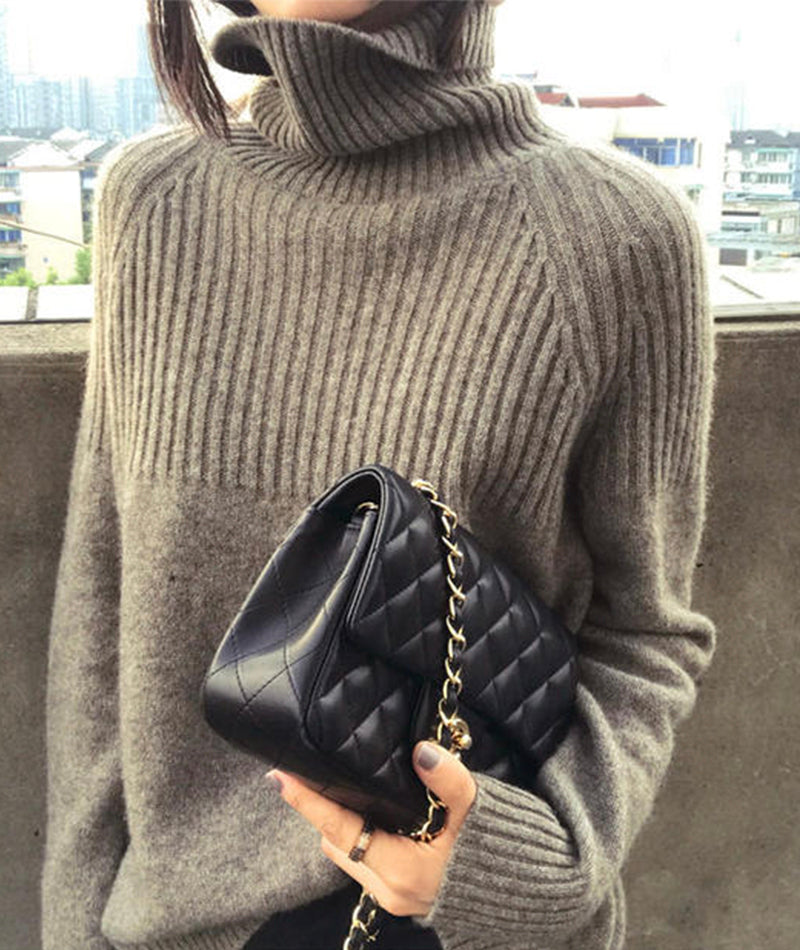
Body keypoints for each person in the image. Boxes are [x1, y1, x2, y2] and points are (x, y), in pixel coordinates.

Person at [39, 1, 718, 949]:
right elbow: (102, 601)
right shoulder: (153, 202)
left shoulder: (614, 235)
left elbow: (645, 631)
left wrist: (522, 862)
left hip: (454, 921)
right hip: (168, 922)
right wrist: (74, 924)